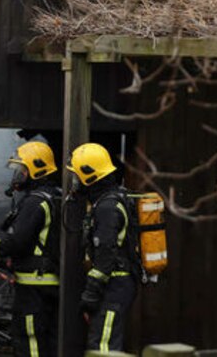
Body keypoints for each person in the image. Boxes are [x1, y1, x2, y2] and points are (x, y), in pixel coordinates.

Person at [0, 140, 62, 357]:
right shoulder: (56, 196)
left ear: (36, 169)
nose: (18, 174)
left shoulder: (35, 202)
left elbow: (18, 242)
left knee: (30, 338)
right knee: (49, 339)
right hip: (51, 283)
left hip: (33, 287)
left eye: (23, 169)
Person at [68, 142, 140, 353]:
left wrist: (90, 297)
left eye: (77, 176)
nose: (75, 181)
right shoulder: (107, 200)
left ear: (89, 176)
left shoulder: (107, 208)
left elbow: (104, 259)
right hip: (115, 284)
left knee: (103, 346)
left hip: (115, 285)